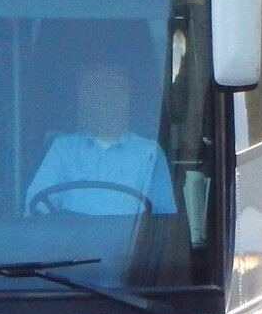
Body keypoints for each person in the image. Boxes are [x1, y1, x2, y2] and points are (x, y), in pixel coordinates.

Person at [26, 62, 175, 216]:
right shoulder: (63, 149)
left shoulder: (149, 153)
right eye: (95, 91)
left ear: (126, 98)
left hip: (132, 240)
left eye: (111, 90)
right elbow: (37, 212)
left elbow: (163, 219)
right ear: (84, 100)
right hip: (69, 240)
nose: (103, 99)